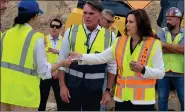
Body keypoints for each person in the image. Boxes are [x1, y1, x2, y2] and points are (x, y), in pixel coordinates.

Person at [69, 9, 165, 111]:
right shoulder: (120, 41)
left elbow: (160, 73)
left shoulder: (154, 44)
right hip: (121, 99)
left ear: (140, 24)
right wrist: (80, 56)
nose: (127, 24)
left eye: (131, 22)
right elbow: (101, 57)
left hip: (143, 101)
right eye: (127, 21)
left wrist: (143, 70)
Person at [0, 0, 71, 111]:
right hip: (24, 98)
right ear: (35, 16)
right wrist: (61, 63)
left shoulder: (4, 35)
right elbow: (43, 71)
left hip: (3, 95)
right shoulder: (35, 38)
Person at [58, 0, 117, 111]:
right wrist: (62, 86)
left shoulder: (110, 37)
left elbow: (112, 66)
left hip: (95, 90)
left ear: (100, 14)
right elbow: (61, 60)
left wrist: (108, 91)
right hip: (71, 87)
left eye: (91, 13)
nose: (87, 17)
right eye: (85, 13)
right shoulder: (71, 31)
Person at [157, 7, 184, 111]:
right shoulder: (162, 31)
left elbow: (183, 50)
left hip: (181, 73)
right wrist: (178, 49)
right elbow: (159, 49)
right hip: (163, 72)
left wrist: (164, 44)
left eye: (170, 19)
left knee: (183, 99)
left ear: (178, 19)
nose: (167, 21)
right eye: (167, 18)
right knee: (162, 100)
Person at [39, 18, 64, 111]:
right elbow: (41, 57)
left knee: (61, 101)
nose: (54, 28)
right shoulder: (43, 40)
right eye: (52, 26)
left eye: (57, 26)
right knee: (42, 100)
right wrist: (50, 70)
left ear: (60, 28)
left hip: (58, 75)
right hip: (45, 74)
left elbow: (66, 57)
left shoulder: (64, 41)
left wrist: (57, 71)